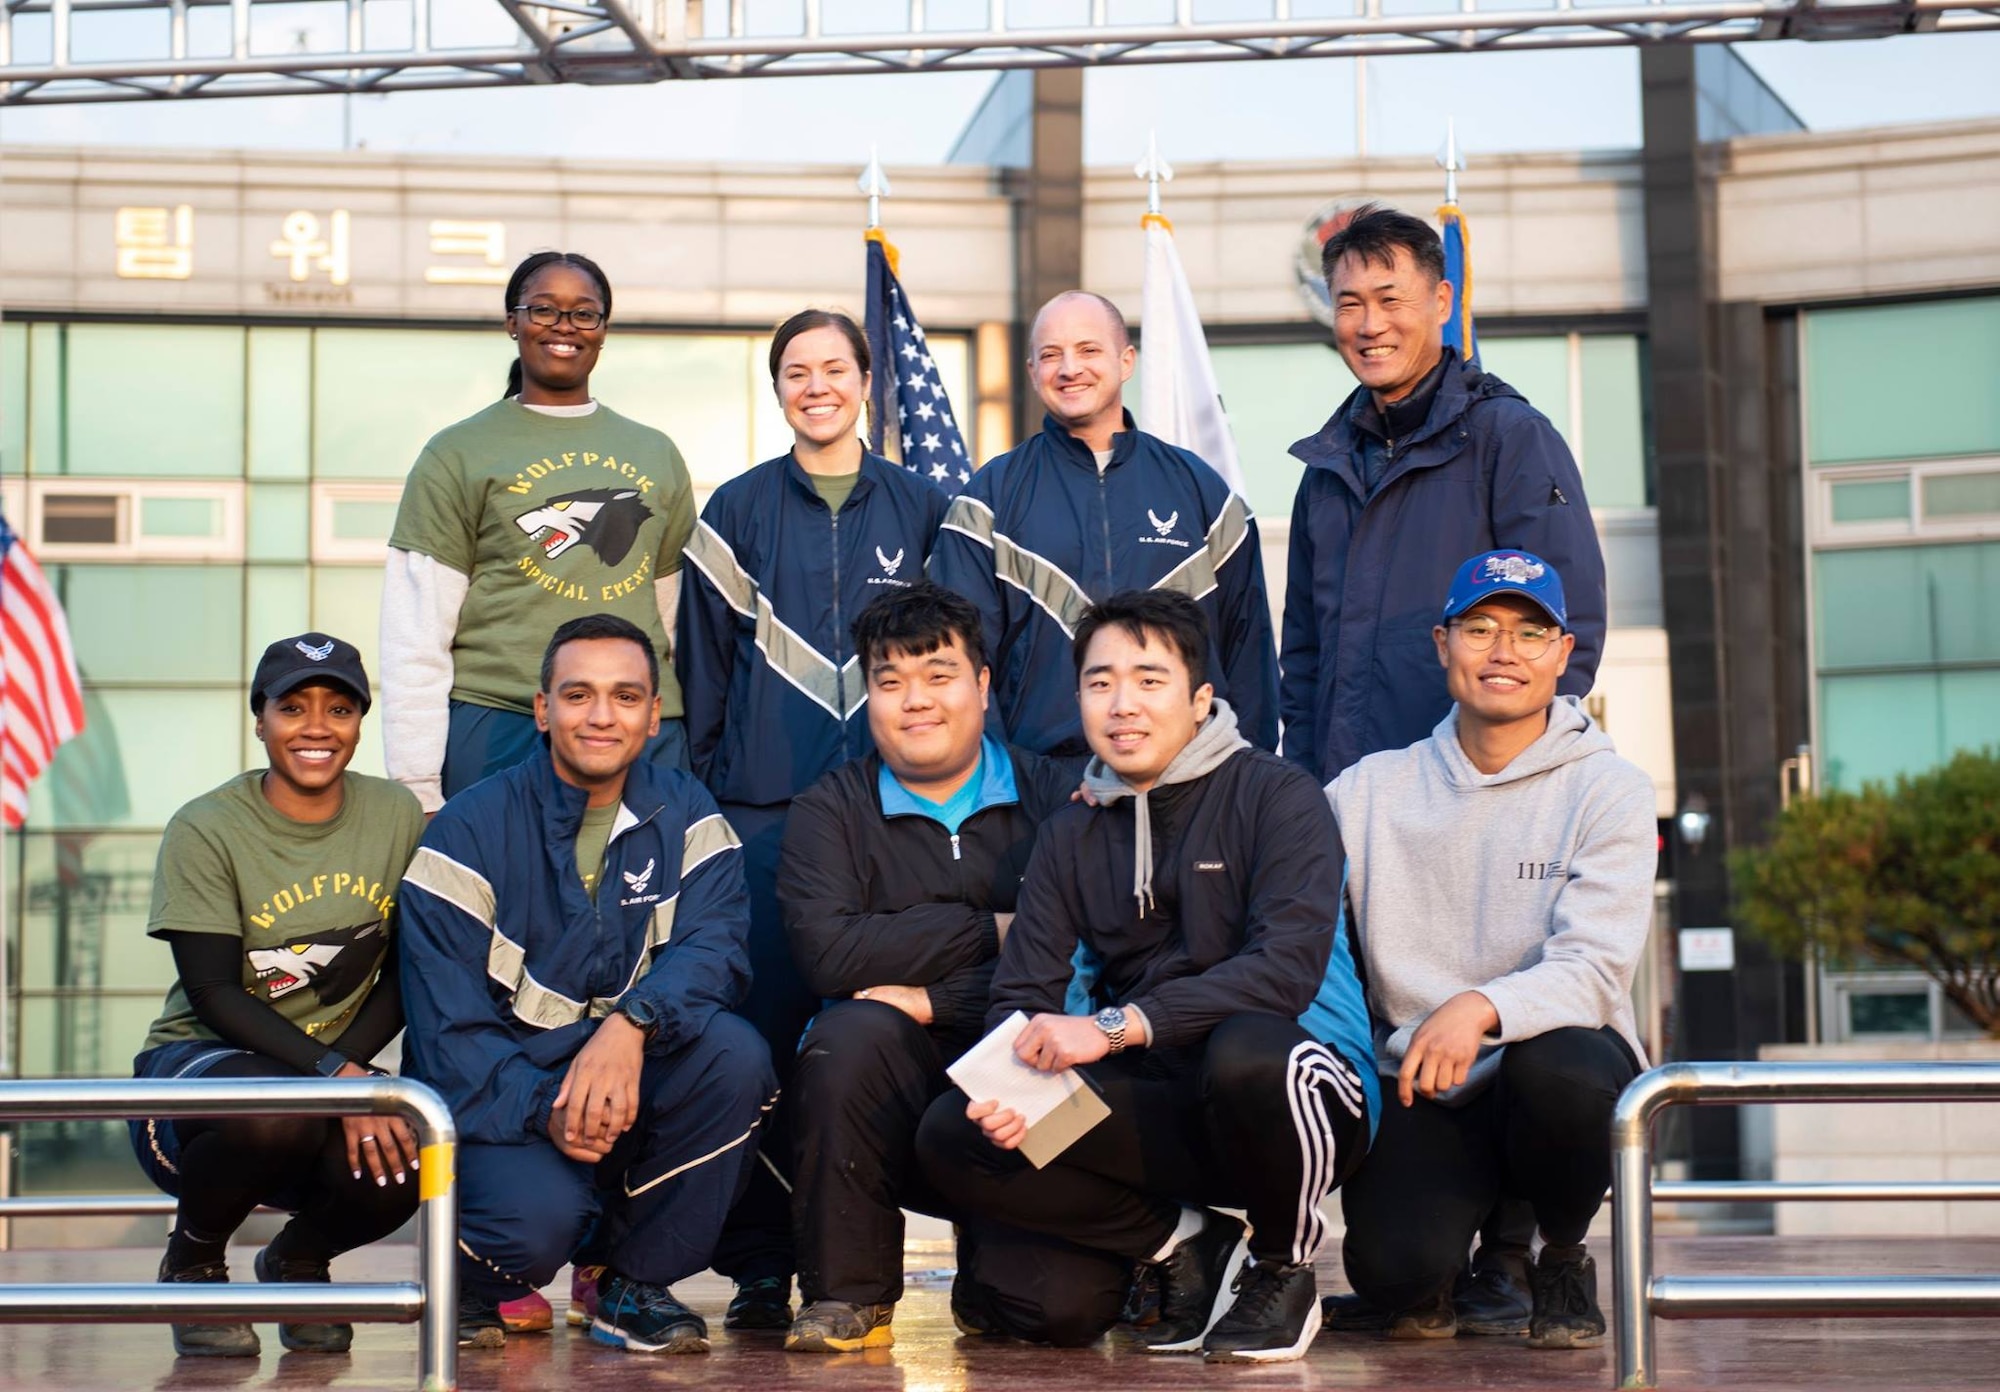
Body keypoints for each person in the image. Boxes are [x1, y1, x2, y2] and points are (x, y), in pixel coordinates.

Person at [1280, 203, 1607, 1326]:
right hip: (1364, 803)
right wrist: (1305, 783)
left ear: (1439, 303)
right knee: (1391, 1267)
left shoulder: (1506, 437)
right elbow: (1301, 653)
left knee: (1531, 1028)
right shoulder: (1323, 466)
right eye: (1348, 303)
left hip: (1487, 791)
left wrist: (1503, 770)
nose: (1368, 323)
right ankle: (1422, 1211)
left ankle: (1520, 1245)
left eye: (1389, 298)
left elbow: (1572, 619)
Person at [915, 589, 1375, 1363]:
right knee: (953, 1135)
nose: (1122, 704)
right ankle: (1188, 1241)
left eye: (1149, 680)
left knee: (1249, 1051)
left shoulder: (1277, 795)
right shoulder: (1071, 832)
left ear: (1200, 700)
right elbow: (1022, 994)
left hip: (1302, 1094)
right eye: (1100, 682)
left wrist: (1108, 1028)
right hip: (1162, 1104)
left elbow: (1283, 976)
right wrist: (1015, 1088)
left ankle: (1283, 1266)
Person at [397, 614, 776, 1355]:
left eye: (626, 696)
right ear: (542, 709)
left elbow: (718, 949)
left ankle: (632, 1284)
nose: (602, 716)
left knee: (736, 1055)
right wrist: (552, 1107)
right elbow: (449, 1037)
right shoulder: (467, 829)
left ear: (652, 713)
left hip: (630, 1070)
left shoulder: (689, 813)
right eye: (578, 695)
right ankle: (478, 1272)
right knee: (531, 1229)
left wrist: (631, 1025)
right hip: (506, 1103)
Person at [676, 310, 951, 1329]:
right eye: (796, 371)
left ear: (867, 382)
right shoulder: (735, 511)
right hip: (762, 822)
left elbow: (961, 672)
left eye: (834, 367)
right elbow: (700, 678)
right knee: (752, 1049)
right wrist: (718, 804)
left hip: (892, 822)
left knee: (855, 1048)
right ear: (777, 388)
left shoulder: (928, 509)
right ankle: (757, 1266)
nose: (815, 385)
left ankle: (853, 1275)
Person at [1329, 550, 1655, 1350]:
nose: (1503, 651)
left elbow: (1596, 967)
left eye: (1529, 632)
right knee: (1399, 1282)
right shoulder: (1365, 792)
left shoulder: (1607, 788)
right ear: (1443, 643)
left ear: (1563, 655)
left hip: (1550, 1067)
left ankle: (1553, 1252)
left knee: (1565, 1071)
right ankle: (1457, 1254)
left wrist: (1480, 1007)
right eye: (1480, 628)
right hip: (1422, 1079)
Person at [773, 583, 1082, 1353]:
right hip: (891, 1088)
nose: (916, 701)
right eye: (890, 681)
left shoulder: (1056, 797)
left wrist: (932, 996)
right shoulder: (829, 812)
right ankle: (848, 1296)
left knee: (1057, 1314)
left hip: (1030, 1066)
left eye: (939, 675)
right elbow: (830, 954)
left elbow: (1085, 953)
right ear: (867, 696)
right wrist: (997, 926)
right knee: (846, 1033)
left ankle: (1006, 1272)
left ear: (982, 685)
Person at [131, 633, 425, 1359]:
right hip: (201, 1074)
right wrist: (338, 1078)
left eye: (339, 707)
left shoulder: (398, 818)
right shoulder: (207, 827)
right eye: (292, 707)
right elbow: (211, 991)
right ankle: (193, 1262)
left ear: (362, 721)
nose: (317, 726)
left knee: (412, 1150)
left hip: (324, 1075)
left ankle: (298, 1261)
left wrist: (350, 1079)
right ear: (258, 719)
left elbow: (409, 975)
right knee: (277, 1106)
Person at [381, 250, 698, 817]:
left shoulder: (655, 453)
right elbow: (415, 632)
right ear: (513, 322)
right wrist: (418, 785)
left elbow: (676, 620)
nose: (563, 328)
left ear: (603, 330)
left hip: (638, 728)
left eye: (584, 314)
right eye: (544, 310)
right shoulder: (456, 452)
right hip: (499, 722)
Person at [927, 290, 1277, 757]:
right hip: (1043, 790)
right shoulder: (987, 500)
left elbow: (1248, 652)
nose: (1070, 368)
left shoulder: (1200, 490)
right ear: (1032, 372)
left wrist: (1243, 778)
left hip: (1192, 783)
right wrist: (1005, 788)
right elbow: (959, 663)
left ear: (1126, 360)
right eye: (1051, 356)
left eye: (1089, 350)